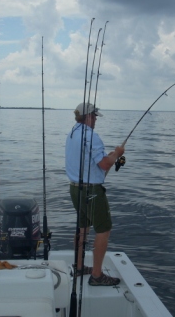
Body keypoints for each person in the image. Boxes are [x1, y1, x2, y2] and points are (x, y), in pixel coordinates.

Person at [65, 102, 125, 286]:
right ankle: (97, 276)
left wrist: (111, 156)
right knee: (104, 229)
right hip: (91, 192)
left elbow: (95, 163)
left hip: (76, 189)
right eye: (95, 116)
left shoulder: (73, 133)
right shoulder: (91, 136)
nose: (96, 119)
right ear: (89, 116)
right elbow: (104, 165)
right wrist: (117, 153)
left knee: (82, 228)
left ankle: (80, 266)